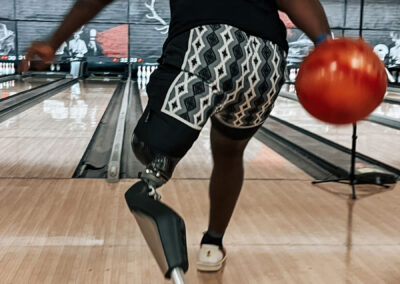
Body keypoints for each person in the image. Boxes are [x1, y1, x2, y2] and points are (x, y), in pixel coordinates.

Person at [21, 0, 331, 273]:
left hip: (208, 45)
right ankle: (212, 246)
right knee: (230, 153)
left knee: (150, 146)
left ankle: (154, 177)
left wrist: (54, 42)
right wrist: (325, 42)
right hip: (266, 62)